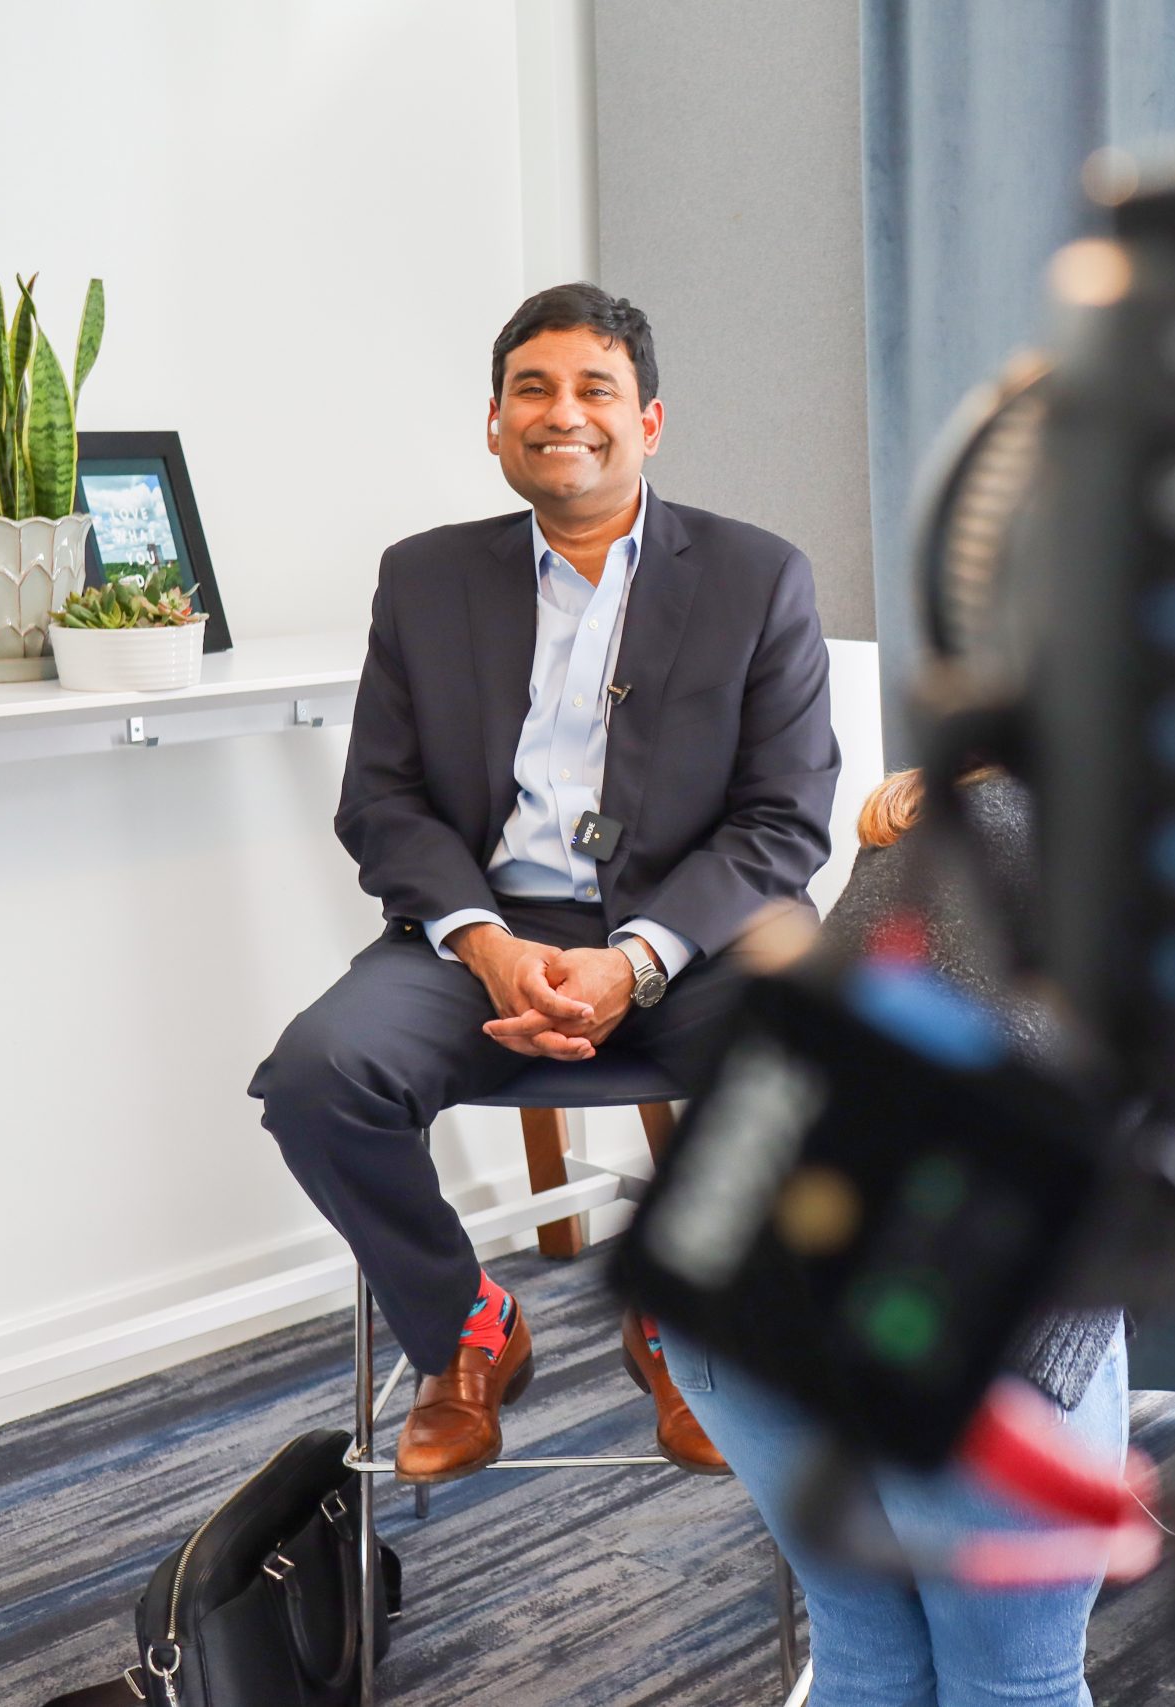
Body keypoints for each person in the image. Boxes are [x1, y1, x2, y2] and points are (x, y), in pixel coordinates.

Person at [249, 283, 838, 1486]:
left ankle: (684, 1313)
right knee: (320, 1079)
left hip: (696, 949)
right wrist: (487, 944)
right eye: (533, 389)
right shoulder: (422, 580)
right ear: (493, 422)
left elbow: (783, 823)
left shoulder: (757, 576)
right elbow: (384, 803)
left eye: (594, 389)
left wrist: (635, 960)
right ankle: (464, 1325)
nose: (561, 413)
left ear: (651, 421)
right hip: (480, 944)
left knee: (813, 1060)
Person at [659, 768, 1175, 1707]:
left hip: (740, 1285)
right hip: (957, 1320)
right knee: (1009, 1680)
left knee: (865, 1655)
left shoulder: (933, 799)